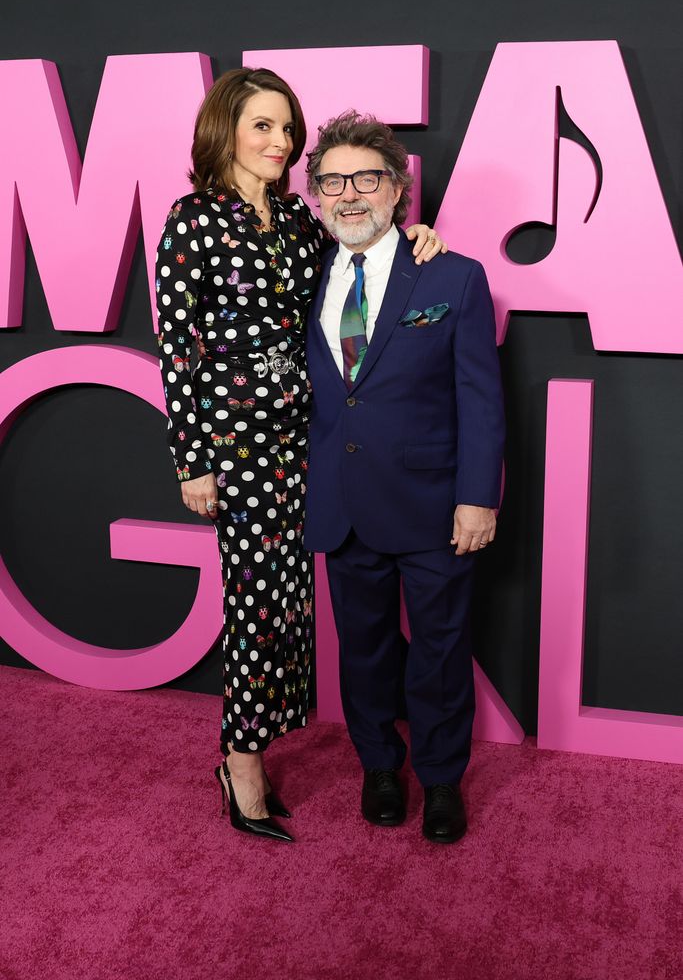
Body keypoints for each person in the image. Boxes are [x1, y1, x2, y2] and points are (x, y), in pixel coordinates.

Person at [155, 68, 445, 843]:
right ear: (224, 129)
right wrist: (193, 460)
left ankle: (254, 741)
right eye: (262, 126)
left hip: (310, 441)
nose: (281, 143)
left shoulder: (293, 218)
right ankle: (240, 763)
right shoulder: (194, 222)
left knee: (288, 604)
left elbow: (362, 256)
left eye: (287, 129)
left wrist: (416, 240)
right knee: (253, 607)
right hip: (237, 446)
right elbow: (176, 353)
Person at [304, 111, 505, 844]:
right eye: (331, 180)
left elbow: (480, 398)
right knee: (362, 653)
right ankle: (380, 767)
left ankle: (442, 778)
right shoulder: (305, 276)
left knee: (441, 651)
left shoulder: (451, 275)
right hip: (341, 506)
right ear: (317, 195)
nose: (348, 193)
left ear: (398, 189)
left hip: (432, 507)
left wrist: (477, 497)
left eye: (365, 177)